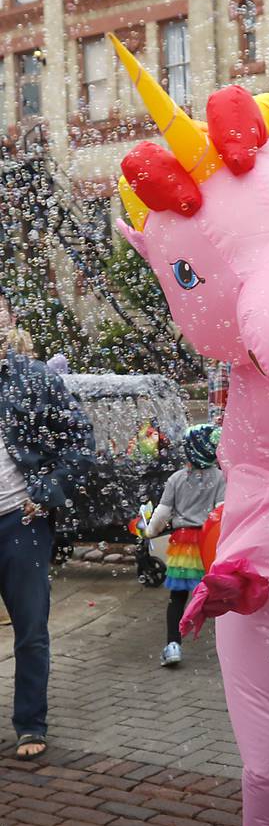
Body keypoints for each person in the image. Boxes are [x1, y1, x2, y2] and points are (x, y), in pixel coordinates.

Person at [0, 298, 96, 759]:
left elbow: (79, 440)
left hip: (21, 520)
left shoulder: (35, 379)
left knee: (30, 627)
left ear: (11, 319)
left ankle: (29, 724)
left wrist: (48, 490)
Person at [143, 424, 226, 667]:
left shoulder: (176, 479)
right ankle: (228, 649)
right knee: (218, 595)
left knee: (178, 596)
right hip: (210, 542)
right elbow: (222, 511)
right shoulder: (220, 477)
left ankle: (172, 646)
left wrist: (149, 531)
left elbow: (162, 513)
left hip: (184, 544)